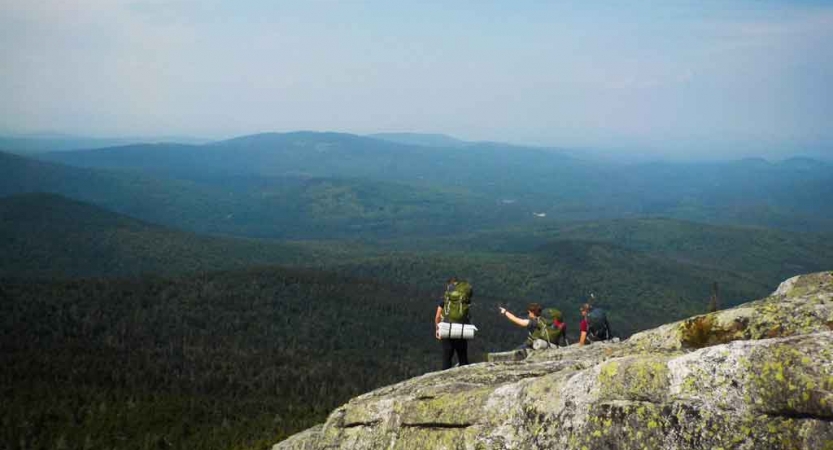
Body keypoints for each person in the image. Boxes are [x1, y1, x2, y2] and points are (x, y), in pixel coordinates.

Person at [435, 278, 469, 369]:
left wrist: (437, 329)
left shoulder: (445, 300)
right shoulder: (463, 299)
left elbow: (438, 316)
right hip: (461, 330)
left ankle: (444, 376)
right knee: (462, 356)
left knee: (447, 355)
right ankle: (465, 375)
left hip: (447, 329)